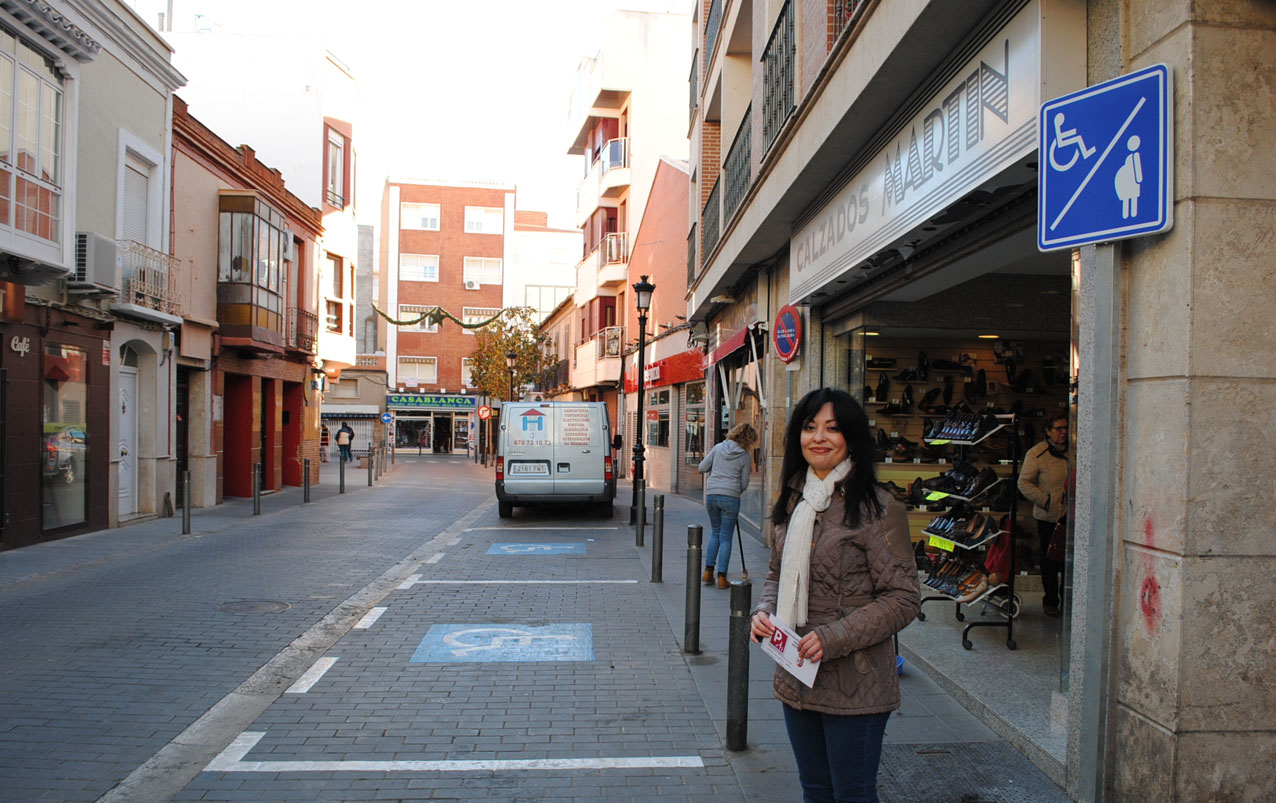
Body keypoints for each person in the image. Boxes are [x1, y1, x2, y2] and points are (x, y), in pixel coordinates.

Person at [750, 388, 920, 803]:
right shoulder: (795, 500)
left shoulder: (879, 509)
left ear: (852, 437)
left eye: (832, 428)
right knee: (816, 791)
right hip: (796, 671)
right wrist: (764, 611)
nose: (819, 437)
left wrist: (832, 638)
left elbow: (903, 597)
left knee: (853, 794)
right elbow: (776, 573)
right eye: (810, 427)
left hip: (856, 681)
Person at [1017, 411, 1069, 617]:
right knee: (1049, 560)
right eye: (1059, 429)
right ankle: (1050, 600)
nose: (1063, 432)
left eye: (1066, 428)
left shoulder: (1075, 451)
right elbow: (1024, 482)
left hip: (1071, 515)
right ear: (1048, 431)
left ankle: (1070, 600)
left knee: (1069, 561)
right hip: (1048, 516)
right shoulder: (1037, 453)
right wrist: (1045, 500)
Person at [698, 422, 758, 589]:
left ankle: (708, 573)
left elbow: (702, 467)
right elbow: (744, 482)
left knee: (715, 532)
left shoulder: (718, 448)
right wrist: (735, 491)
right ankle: (722, 578)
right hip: (730, 497)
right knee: (726, 537)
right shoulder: (745, 456)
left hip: (712, 494)